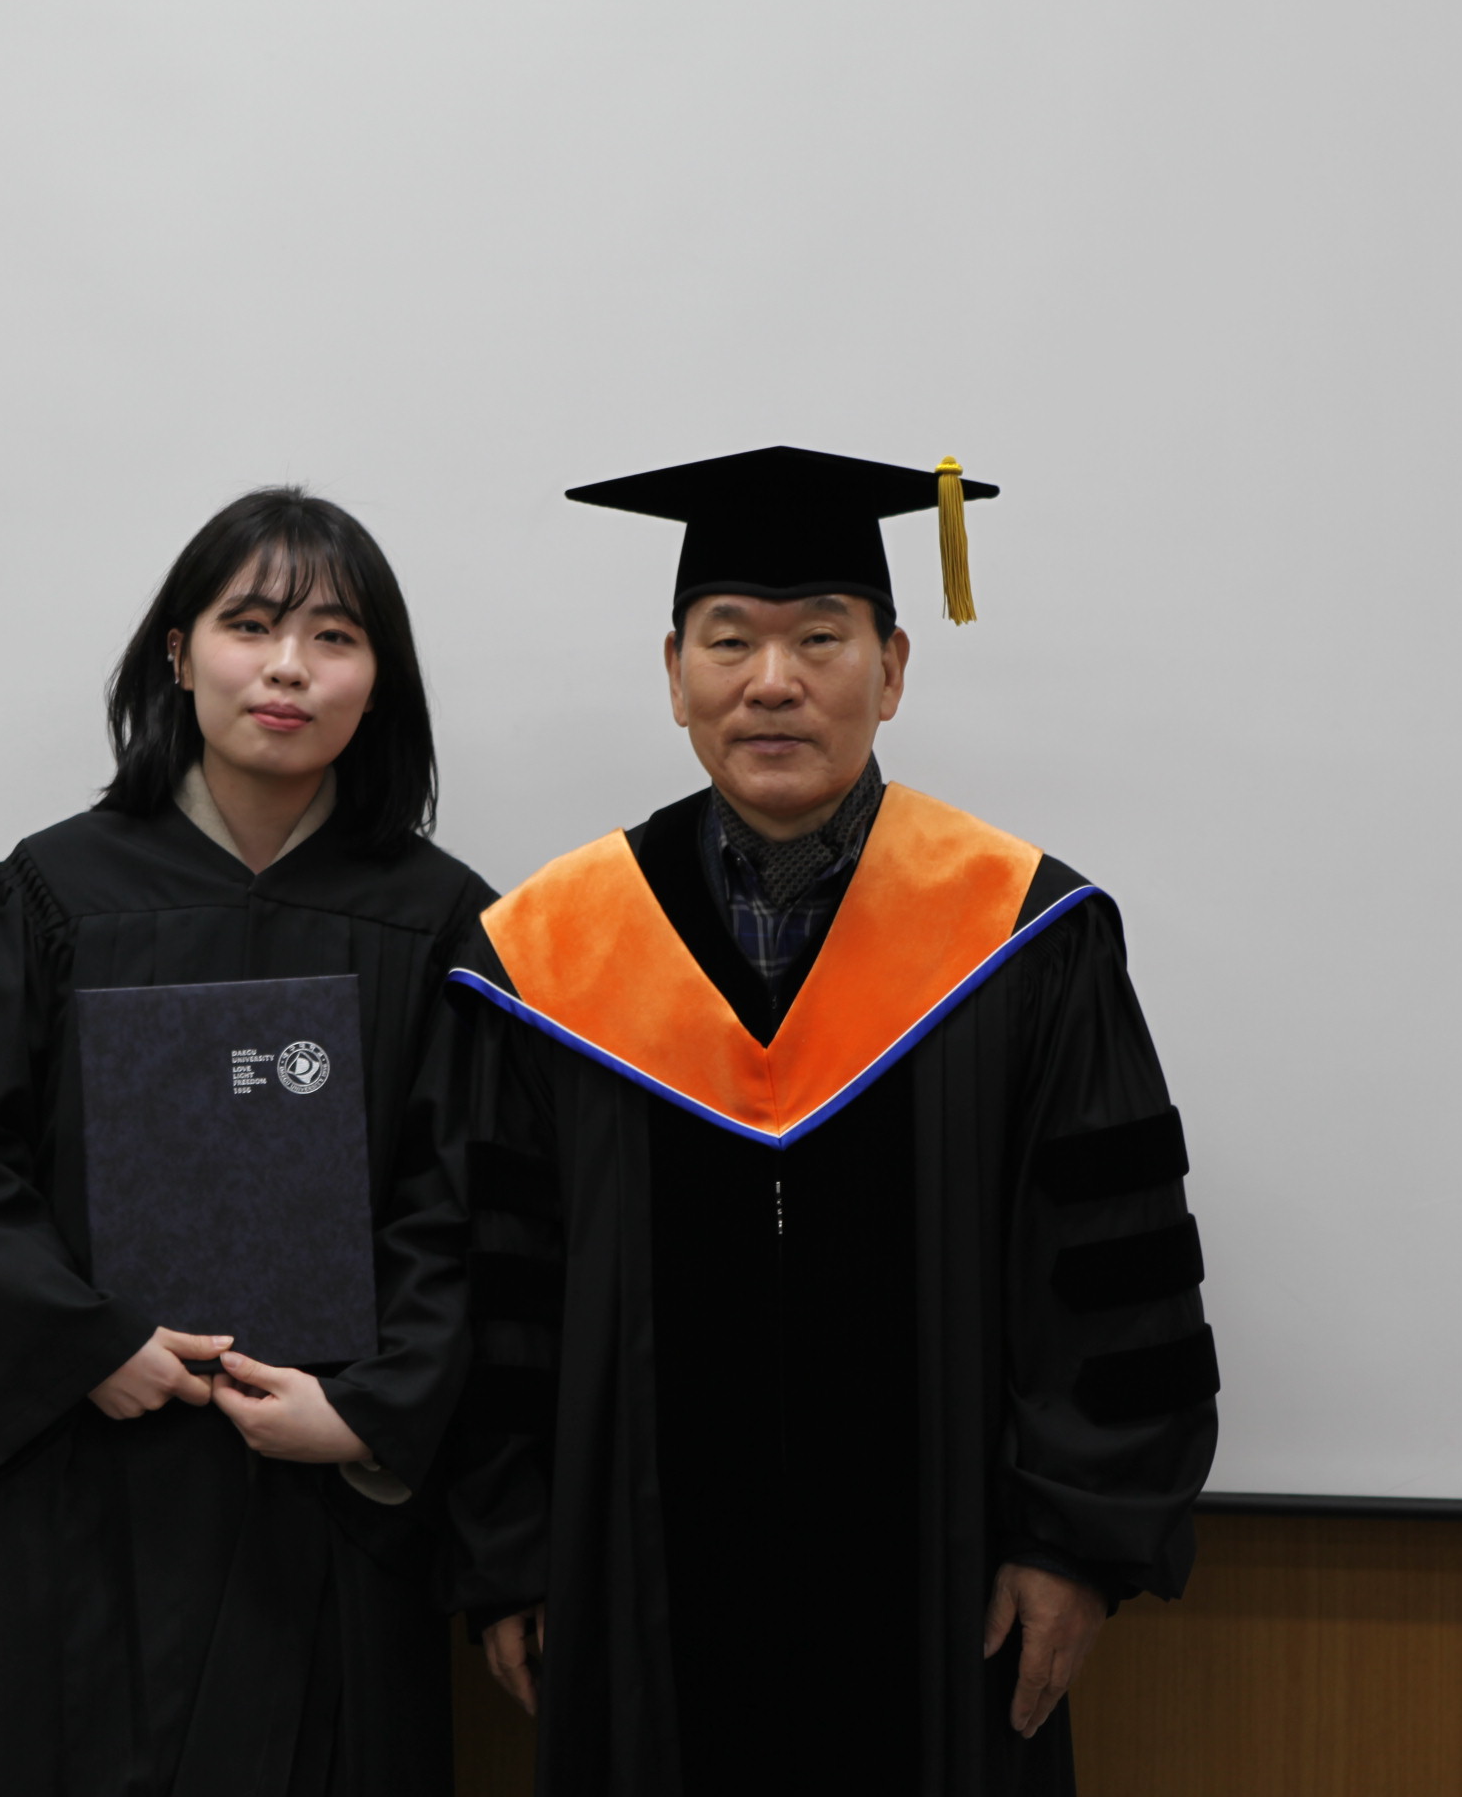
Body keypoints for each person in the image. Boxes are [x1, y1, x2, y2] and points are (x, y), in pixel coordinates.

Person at [425, 447, 1220, 1794]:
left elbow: (1103, 1278)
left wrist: (1074, 1543)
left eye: (821, 639)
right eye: (730, 640)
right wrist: (509, 1552)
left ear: (892, 670)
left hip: (950, 1599)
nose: (773, 681)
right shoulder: (546, 959)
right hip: (639, 1596)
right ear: (674, 673)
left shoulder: (1026, 936)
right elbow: (493, 1282)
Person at [0, 487, 492, 1797]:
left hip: (326, 1497)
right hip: (84, 1479)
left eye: (334, 636)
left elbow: (473, 1203)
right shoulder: (54, 896)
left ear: (381, 682)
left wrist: (367, 1414)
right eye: (250, 624)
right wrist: (83, 1343)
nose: (288, 667)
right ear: (181, 656)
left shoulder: (441, 926)